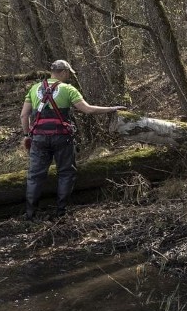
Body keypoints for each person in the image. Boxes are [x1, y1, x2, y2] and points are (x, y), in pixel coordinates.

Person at [20, 60, 126, 220]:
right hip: (62, 137)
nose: (69, 76)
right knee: (66, 172)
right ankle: (61, 212)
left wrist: (27, 135)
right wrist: (111, 109)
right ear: (63, 72)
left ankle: (30, 214)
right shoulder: (68, 89)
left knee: (35, 175)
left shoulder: (34, 89)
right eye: (68, 73)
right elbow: (88, 110)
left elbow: (23, 115)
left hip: (39, 138)